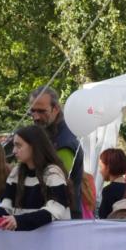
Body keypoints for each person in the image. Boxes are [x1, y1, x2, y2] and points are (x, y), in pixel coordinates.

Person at [28, 86, 84, 218]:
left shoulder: (65, 142)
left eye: (42, 111)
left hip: (63, 217)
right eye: (32, 111)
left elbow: (56, 180)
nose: (36, 117)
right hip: (49, 212)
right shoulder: (45, 133)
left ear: (56, 109)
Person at [97, 148, 126, 219]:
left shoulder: (108, 191)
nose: (100, 171)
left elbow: (104, 217)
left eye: (101, 167)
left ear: (108, 167)